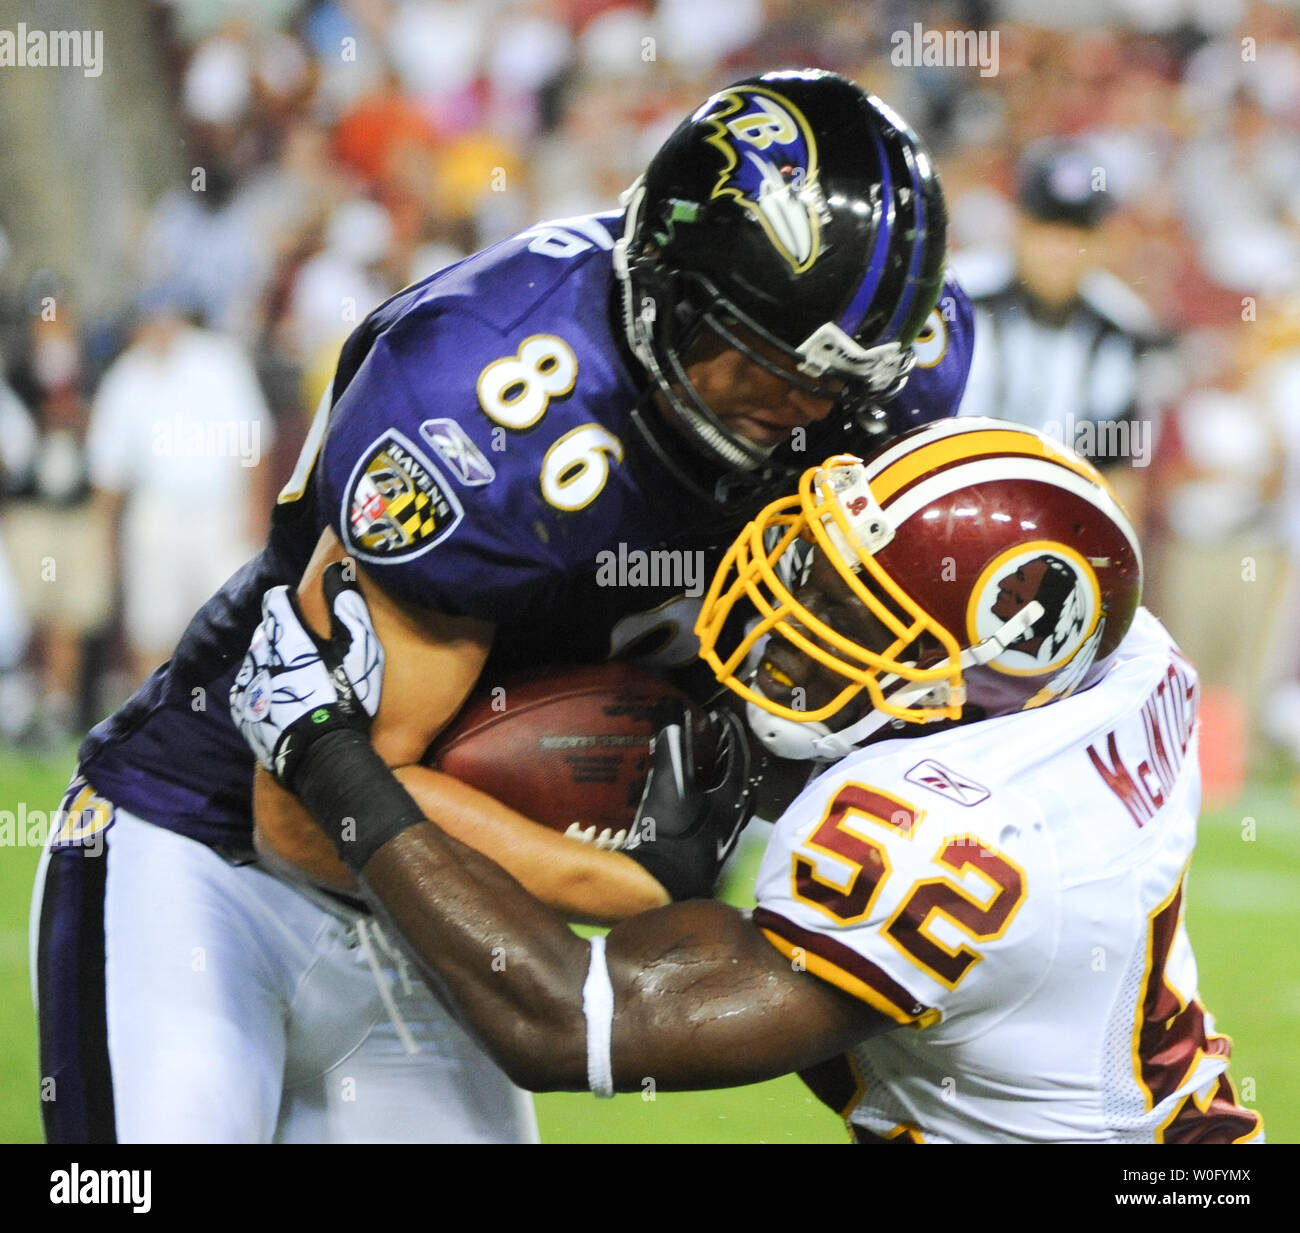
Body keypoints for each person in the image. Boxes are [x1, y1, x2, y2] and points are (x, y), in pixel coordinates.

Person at [32, 70, 973, 1143]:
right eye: (761, 363)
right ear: (670, 292)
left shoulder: (881, 384)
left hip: (439, 919)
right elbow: (304, 812)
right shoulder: (491, 410)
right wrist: (620, 882)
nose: (801, 411)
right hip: (207, 856)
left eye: (834, 390)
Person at [238, 418, 1263, 1144]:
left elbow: (568, 1025)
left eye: (852, 619)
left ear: (979, 673)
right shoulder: (1118, 667)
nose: (793, 620)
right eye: (815, 574)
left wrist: (328, 756)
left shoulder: (954, 834)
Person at [953, 140, 1174, 530]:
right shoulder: (956, 299)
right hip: (940, 499)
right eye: (1048, 228)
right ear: (1019, 226)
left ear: (1103, 240)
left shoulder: (1121, 331)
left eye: (1077, 233)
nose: (1061, 249)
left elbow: (1118, 476)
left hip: (1054, 530)